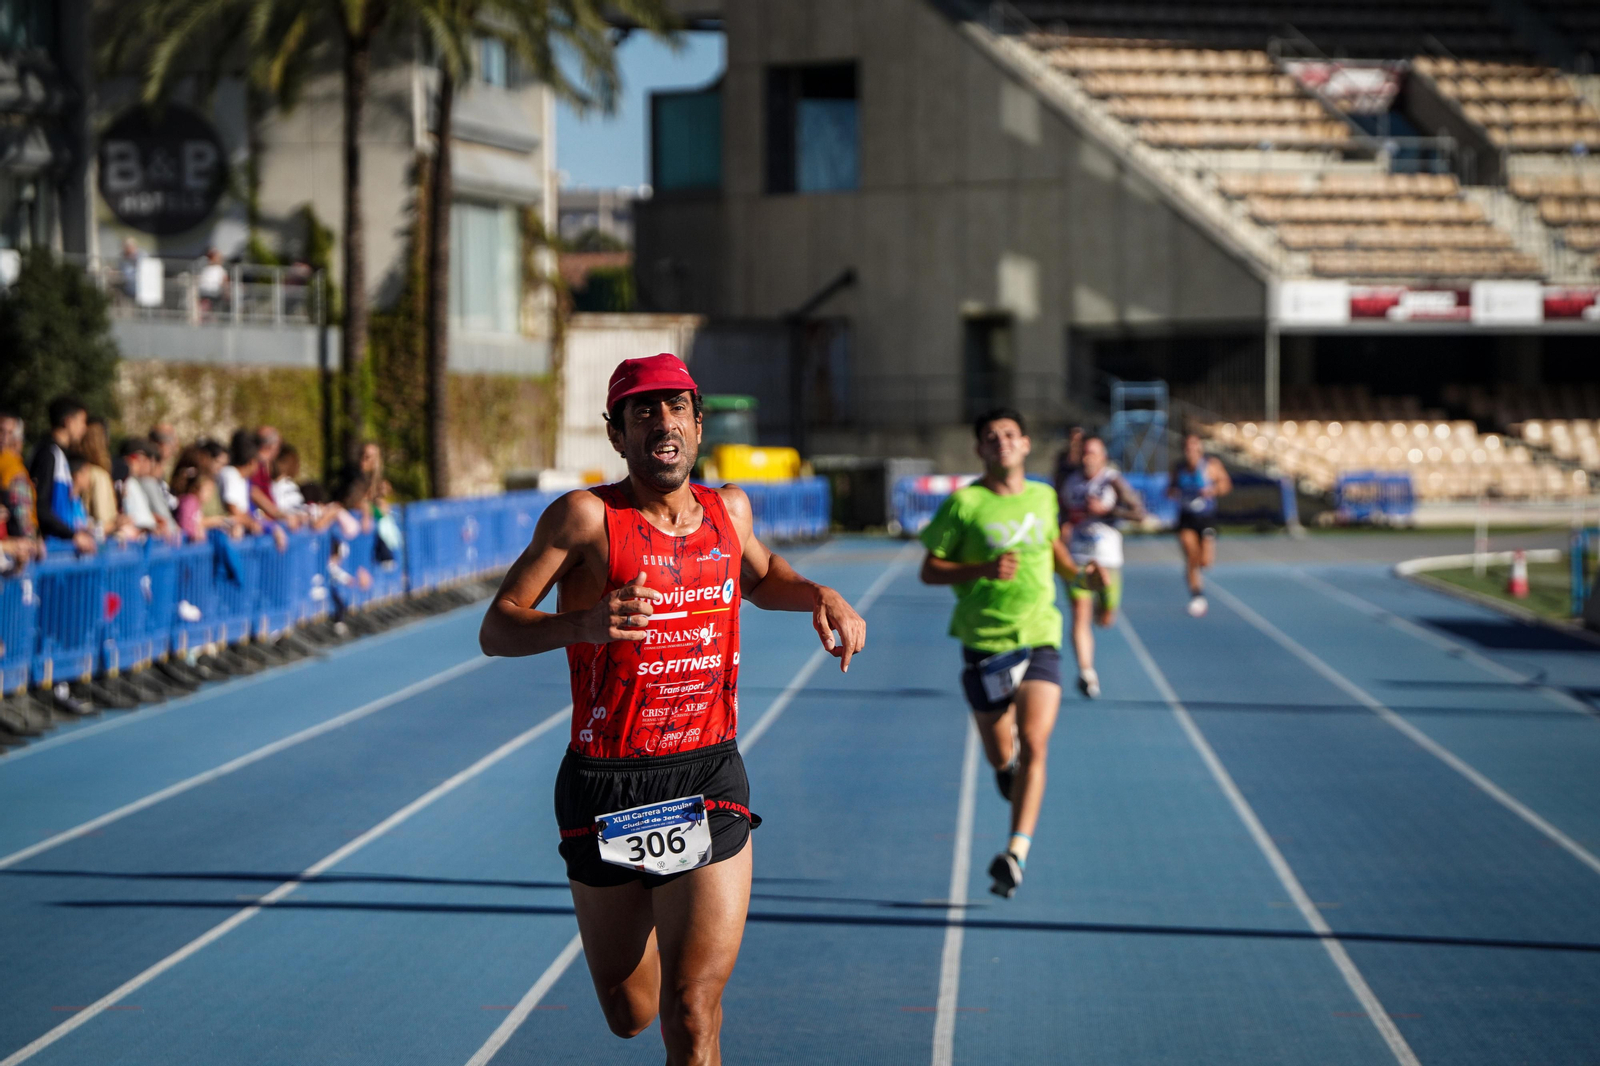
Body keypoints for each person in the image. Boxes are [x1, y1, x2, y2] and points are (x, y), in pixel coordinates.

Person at [479, 353, 866, 1066]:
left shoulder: (729, 510)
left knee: (691, 1012)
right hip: (605, 782)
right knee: (632, 1014)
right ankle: (664, 916)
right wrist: (582, 624)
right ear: (617, 433)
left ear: (697, 424)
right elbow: (497, 628)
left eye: (677, 407)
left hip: (706, 773)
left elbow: (762, 577)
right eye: (643, 410)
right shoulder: (585, 518)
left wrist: (820, 594)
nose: (663, 422)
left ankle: (687, 930)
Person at [919, 407, 1078, 900]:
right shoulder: (964, 504)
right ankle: (1005, 770)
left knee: (1035, 740)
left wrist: (1080, 576)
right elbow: (930, 569)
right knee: (1001, 752)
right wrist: (981, 569)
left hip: (1040, 634)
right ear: (980, 449)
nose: (1002, 442)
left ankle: (1015, 853)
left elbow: (1054, 548)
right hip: (985, 642)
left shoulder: (1044, 496)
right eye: (991, 437)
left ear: (1026, 444)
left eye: (1010, 434)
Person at [1059, 436, 1144, 699]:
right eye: (1085, 452)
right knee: (1079, 613)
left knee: (1106, 619)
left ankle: (1102, 611)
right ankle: (1086, 672)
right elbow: (1061, 513)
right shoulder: (1070, 482)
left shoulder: (1112, 480)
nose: (1088, 457)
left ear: (1103, 456)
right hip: (1078, 556)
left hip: (1107, 558)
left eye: (1093, 452)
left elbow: (1139, 513)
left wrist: (1107, 510)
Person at [1168, 433, 1232, 617]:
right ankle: (1197, 596)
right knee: (1191, 556)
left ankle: (1199, 567)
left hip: (1206, 517)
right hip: (1186, 517)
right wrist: (1174, 492)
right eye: (1187, 447)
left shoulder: (1210, 465)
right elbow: (1170, 489)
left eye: (1194, 447)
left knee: (1205, 562)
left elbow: (1226, 485)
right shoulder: (1179, 468)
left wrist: (1212, 490)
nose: (1191, 451)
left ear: (1200, 448)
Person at [28, 397, 96, 555]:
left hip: (62, 550)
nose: (84, 428)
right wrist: (72, 535)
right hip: (51, 551)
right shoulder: (48, 453)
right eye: (82, 421)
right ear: (68, 421)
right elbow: (40, 506)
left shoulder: (59, 455)